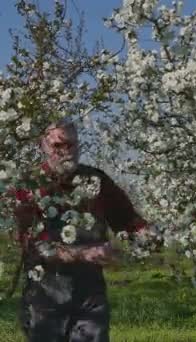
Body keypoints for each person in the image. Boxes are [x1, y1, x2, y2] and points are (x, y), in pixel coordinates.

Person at [12, 118, 155, 342]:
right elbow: (34, 244)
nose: (66, 151)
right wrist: (84, 253)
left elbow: (127, 218)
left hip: (90, 295)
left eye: (71, 144)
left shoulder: (96, 180)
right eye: (58, 146)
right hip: (45, 296)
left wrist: (146, 234)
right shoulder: (29, 187)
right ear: (43, 146)